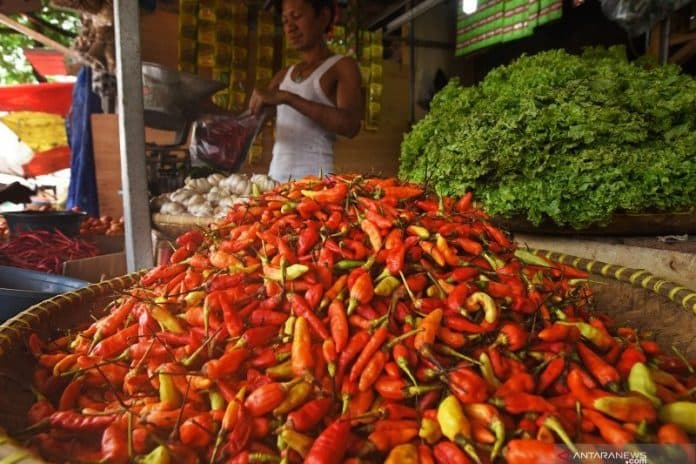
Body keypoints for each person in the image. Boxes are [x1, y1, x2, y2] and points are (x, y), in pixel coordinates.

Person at [248, 0, 363, 182]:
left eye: (297, 16)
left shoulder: (342, 66)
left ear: (323, 17)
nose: (290, 28)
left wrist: (289, 98)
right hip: (276, 181)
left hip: (316, 185)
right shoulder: (283, 75)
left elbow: (350, 126)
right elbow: (250, 122)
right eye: (285, 21)